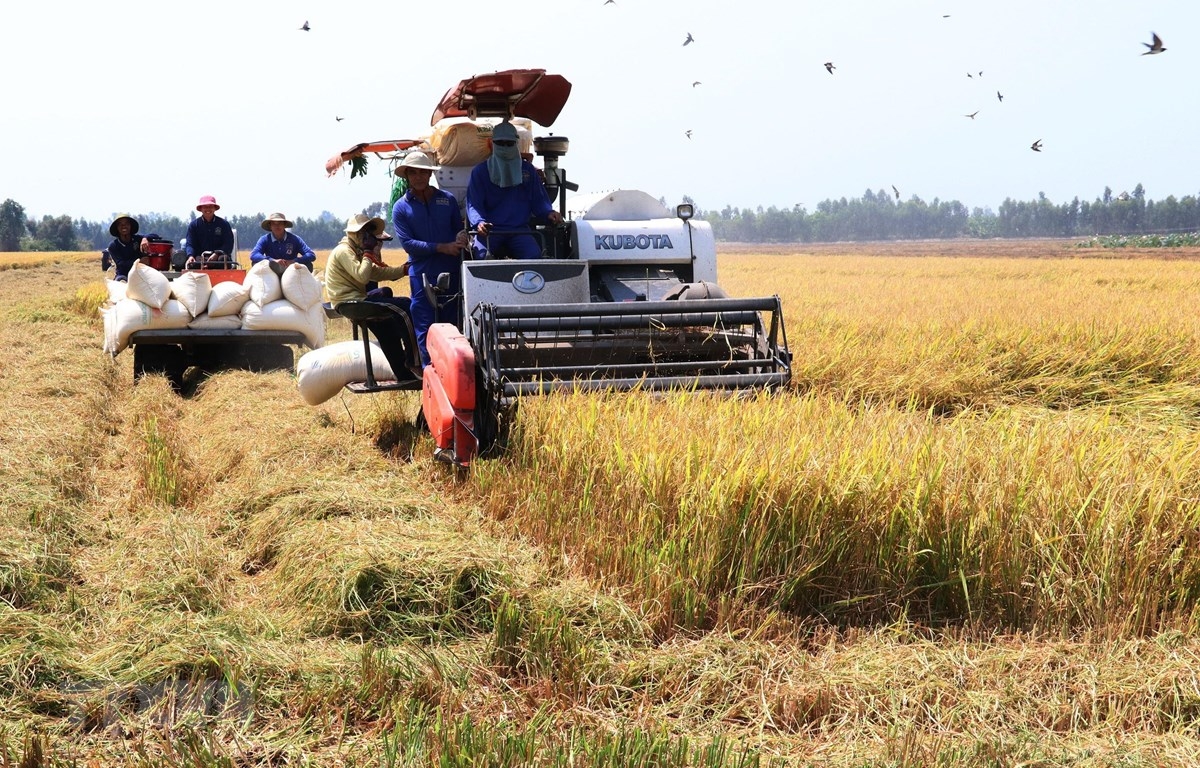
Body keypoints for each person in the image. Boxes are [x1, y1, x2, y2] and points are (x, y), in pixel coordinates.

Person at [391, 151, 469, 367]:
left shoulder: (447, 199)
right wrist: (442, 247)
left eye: (423, 172)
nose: (418, 177)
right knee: (424, 327)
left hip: (451, 271)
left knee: (452, 326)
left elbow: (458, 229)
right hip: (421, 274)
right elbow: (408, 244)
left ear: (429, 174)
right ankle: (429, 375)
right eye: (413, 172)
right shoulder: (400, 208)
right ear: (406, 175)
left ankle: (453, 373)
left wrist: (461, 236)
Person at [325, 214, 417, 378]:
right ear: (355, 234)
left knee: (388, 330)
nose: (369, 236)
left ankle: (404, 374)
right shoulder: (344, 251)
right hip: (350, 303)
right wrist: (368, 252)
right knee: (404, 306)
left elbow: (376, 273)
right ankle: (414, 361)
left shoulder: (355, 251)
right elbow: (362, 276)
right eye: (365, 232)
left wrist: (403, 270)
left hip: (355, 300)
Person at [465, 120, 561, 260]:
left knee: (534, 256)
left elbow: (539, 200)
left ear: (516, 143)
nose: (505, 147)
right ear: (492, 143)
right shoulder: (480, 172)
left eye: (509, 144)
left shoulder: (527, 170)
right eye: (500, 143)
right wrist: (479, 223)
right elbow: (474, 204)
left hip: (519, 231)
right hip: (490, 232)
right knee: (480, 257)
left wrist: (549, 213)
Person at [249, 212, 317, 272]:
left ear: (284, 225)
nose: (277, 226)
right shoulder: (264, 239)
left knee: (308, 265)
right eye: (274, 223)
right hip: (272, 270)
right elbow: (254, 255)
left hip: (291, 270)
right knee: (255, 263)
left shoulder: (295, 239)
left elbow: (311, 255)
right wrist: (272, 260)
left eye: (280, 223)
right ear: (270, 226)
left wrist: (294, 261)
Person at [184, 195, 236, 268]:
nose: (208, 209)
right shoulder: (194, 225)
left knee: (223, 260)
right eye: (205, 206)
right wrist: (190, 256)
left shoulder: (224, 224)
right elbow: (190, 244)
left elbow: (228, 244)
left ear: (214, 208)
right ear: (201, 209)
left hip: (219, 259)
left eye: (210, 206)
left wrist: (217, 254)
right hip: (200, 258)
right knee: (192, 263)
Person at [101, 213, 149, 281]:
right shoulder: (113, 245)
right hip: (123, 275)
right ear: (117, 228)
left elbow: (155, 236)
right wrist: (139, 262)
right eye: (120, 224)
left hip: (141, 272)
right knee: (121, 281)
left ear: (130, 226)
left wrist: (145, 238)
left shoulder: (138, 239)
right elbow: (121, 264)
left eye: (126, 223)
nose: (123, 226)